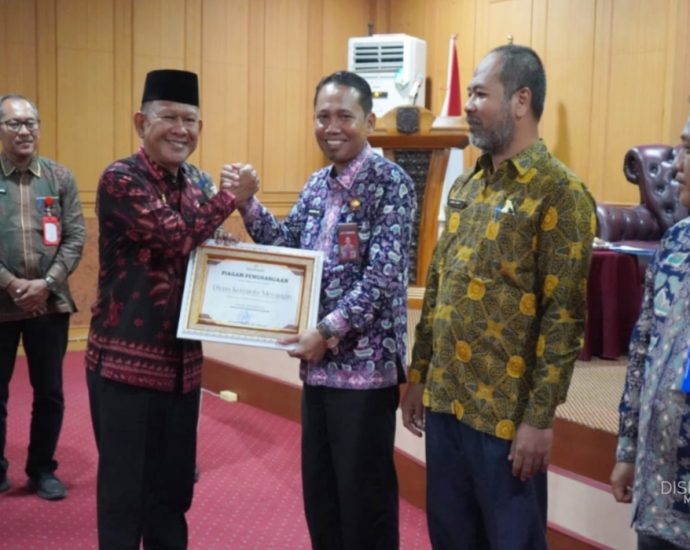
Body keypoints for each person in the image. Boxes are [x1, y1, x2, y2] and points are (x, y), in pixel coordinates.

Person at [400, 45, 595, 549]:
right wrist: (419, 375)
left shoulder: (560, 193)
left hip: (506, 420)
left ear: (520, 101)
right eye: (468, 93)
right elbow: (439, 287)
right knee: (451, 538)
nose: (468, 105)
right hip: (447, 403)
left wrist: (539, 418)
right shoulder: (468, 184)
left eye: (480, 94)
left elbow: (564, 318)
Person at [227, 70, 416, 550]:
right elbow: (287, 248)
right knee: (323, 495)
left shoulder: (390, 182)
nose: (332, 127)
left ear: (369, 121)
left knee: (365, 501)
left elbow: (384, 277)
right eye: (322, 116)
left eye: (344, 116)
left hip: (365, 373)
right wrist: (247, 204)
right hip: (317, 370)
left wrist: (327, 331)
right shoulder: (316, 184)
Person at [85, 69, 258, 549]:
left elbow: (209, 246)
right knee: (124, 498)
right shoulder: (121, 179)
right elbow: (177, 236)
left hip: (182, 368)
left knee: (173, 494)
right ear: (141, 122)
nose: (181, 130)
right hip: (125, 369)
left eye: (191, 120)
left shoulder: (197, 182)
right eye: (169, 118)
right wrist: (233, 196)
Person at [0, 94, 85, 501]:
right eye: (14, 123)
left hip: (49, 305)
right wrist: (10, 283)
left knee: (49, 392)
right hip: (1, 304)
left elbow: (75, 237)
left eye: (30, 122)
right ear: (1, 129)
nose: (24, 131)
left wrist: (46, 284)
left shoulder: (60, 177)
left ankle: (42, 469)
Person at [611, 114, 690, 550]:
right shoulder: (675, 242)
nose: (676, 164)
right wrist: (627, 450)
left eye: (689, 150)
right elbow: (641, 350)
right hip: (662, 486)